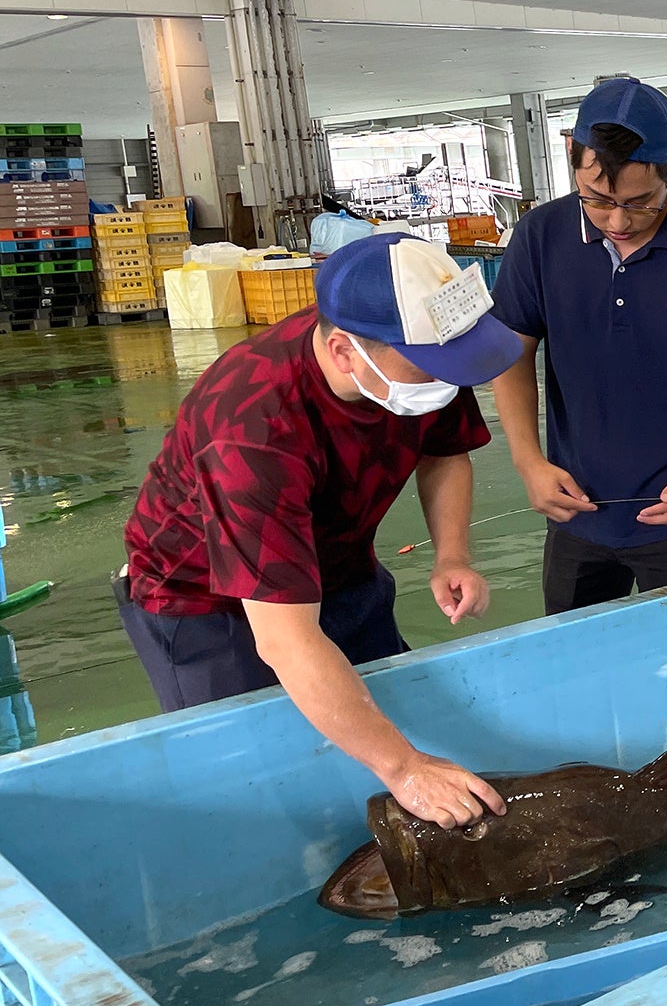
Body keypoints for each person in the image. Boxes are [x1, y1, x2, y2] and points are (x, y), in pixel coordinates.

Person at [118, 233, 524, 829]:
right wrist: (404, 769)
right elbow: (285, 641)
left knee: (392, 720)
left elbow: (444, 452)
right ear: (343, 353)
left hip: (335, 562)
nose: (450, 385)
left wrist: (452, 554)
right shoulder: (251, 429)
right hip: (207, 603)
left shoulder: (420, 352)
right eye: (433, 370)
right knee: (261, 788)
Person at [490, 78, 667, 614]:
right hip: (573, 509)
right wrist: (528, 460)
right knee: (577, 663)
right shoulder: (539, 237)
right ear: (570, 157)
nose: (618, 222)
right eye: (598, 201)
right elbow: (511, 352)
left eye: (640, 203)